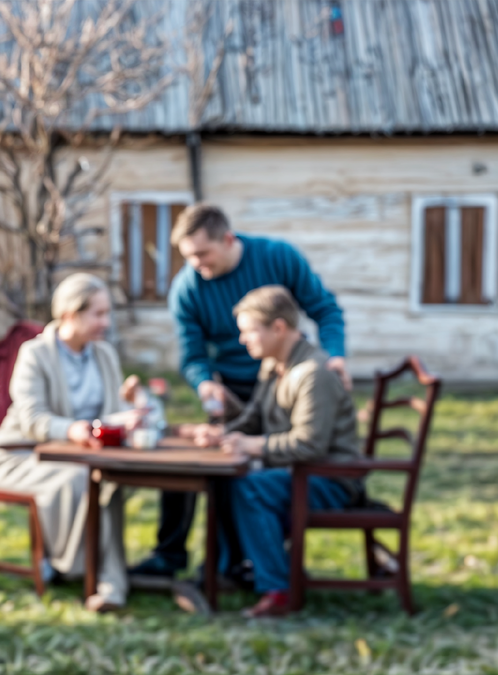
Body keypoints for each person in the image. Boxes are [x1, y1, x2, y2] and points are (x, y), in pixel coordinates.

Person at [131, 203, 350, 581]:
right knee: (206, 458)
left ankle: (238, 562)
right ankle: (174, 554)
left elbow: (325, 309)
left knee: (254, 470)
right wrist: (205, 384)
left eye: (202, 254)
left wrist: (335, 358)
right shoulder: (187, 289)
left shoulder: (278, 258)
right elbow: (193, 354)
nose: (196, 264)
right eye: (188, 257)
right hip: (232, 385)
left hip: (287, 377)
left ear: (228, 240)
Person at [187, 286, 360, 617]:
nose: (243, 340)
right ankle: (229, 569)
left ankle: (279, 590)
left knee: (250, 487)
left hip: (330, 480)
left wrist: (251, 445)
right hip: (294, 474)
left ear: (278, 328)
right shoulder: (274, 365)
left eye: (250, 331)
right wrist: (224, 433)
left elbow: (310, 444)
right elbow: (254, 418)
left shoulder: (313, 374)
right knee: (223, 480)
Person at [0, 273, 142, 612]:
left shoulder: (105, 355)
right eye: (98, 314)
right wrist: (72, 430)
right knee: (83, 481)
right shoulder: (35, 354)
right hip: (23, 454)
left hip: (80, 456)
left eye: (108, 313)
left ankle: (103, 576)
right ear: (69, 315)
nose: (106, 322)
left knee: (109, 481)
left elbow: (111, 414)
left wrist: (133, 409)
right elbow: (33, 418)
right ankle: (88, 572)